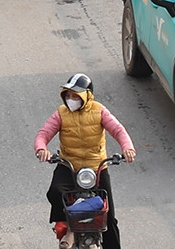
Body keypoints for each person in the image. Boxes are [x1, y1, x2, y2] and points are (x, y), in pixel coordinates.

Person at [33, 73, 134, 249]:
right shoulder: (61, 114)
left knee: (108, 216)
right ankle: (69, 229)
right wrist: (42, 149)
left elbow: (118, 130)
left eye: (76, 96)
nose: (71, 99)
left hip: (97, 167)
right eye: (68, 95)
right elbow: (44, 134)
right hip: (68, 166)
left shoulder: (99, 111)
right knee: (55, 192)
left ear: (87, 96)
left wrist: (127, 148)